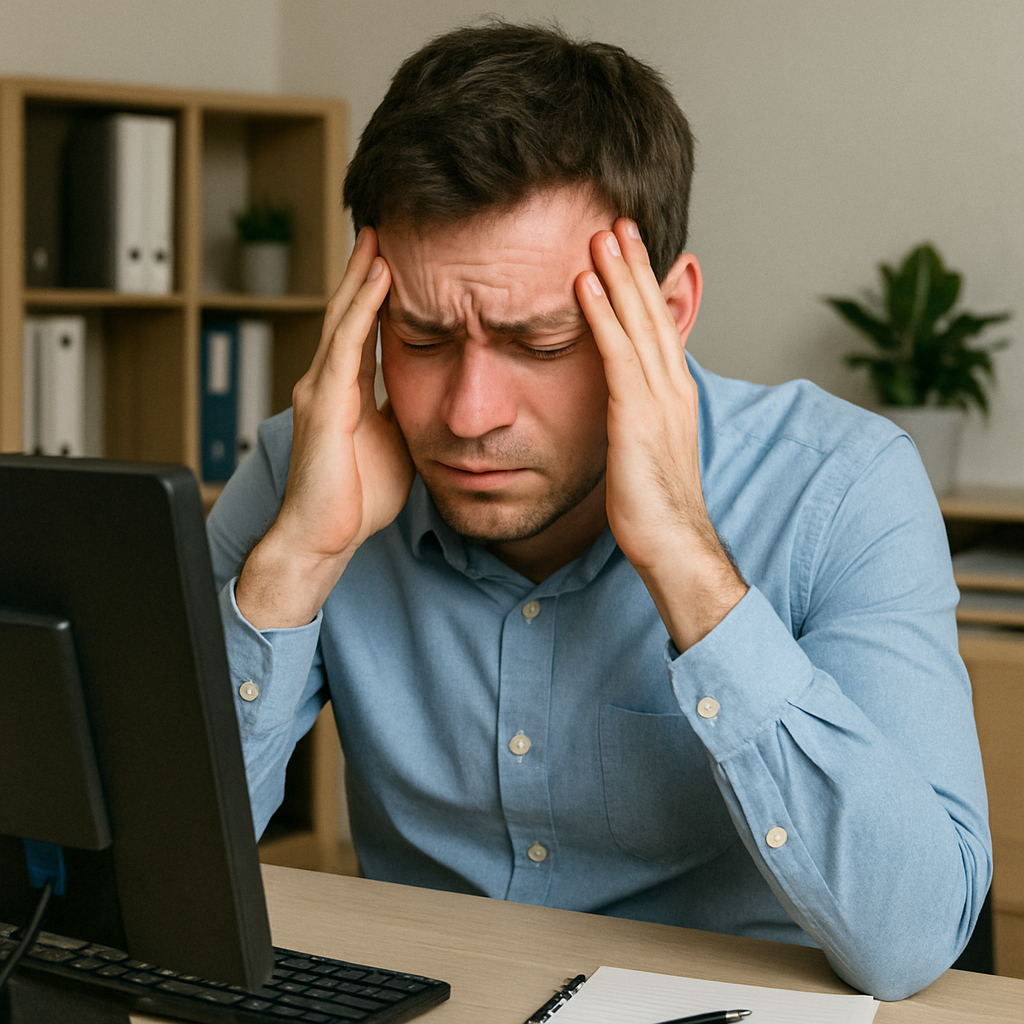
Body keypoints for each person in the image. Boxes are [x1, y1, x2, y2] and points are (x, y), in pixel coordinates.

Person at [207, 21, 990, 1001]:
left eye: (539, 343)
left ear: (662, 318)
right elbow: (142, 872)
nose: (467, 412)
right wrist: (294, 566)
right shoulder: (307, 469)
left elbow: (914, 939)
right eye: (420, 335)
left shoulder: (842, 485)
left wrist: (688, 566)